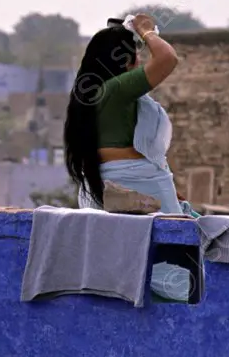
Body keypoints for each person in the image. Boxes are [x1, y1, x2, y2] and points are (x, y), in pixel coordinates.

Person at [64, 14, 184, 213]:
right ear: (126, 61)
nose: (139, 64)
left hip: (128, 183)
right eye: (137, 57)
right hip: (135, 184)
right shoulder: (115, 90)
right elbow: (167, 58)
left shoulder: (96, 93)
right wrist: (147, 31)